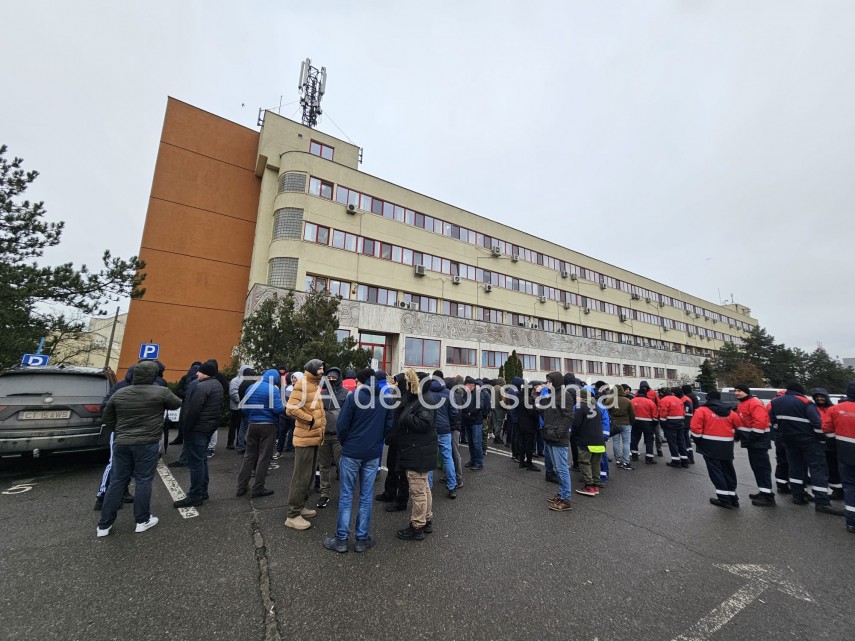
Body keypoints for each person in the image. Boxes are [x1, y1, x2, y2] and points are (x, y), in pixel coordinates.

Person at [96, 361, 182, 537]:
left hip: (122, 442)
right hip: (147, 442)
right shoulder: (161, 392)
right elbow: (177, 403)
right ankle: (142, 520)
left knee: (117, 481)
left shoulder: (120, 392)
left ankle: (104, 524)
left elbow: (106, 416)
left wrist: (119, 430)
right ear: (153, 375)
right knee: (143, 480)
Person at [323, 368, 393, 553]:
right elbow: (389, 426)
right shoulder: (386, 399)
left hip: (352, 451)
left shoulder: (354, 397)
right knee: (366, 496)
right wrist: (378, 442)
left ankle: (341, 540)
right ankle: (362, 538)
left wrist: (346, 443)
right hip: (372, 453)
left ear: (362, 380)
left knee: (347, 496)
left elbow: (342, 425)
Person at [769, 383, 843, 516]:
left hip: (789, 440)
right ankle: (822, 502)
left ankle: (798, 496)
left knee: (795, 468)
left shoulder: (776, 402)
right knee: (818, 469)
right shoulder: (806, 403)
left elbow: (774, 422)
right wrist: (822, 440)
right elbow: (817, 424)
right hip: (809, 441)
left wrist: (783, 434)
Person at [174, 361, 224, 508]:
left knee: (196, 463)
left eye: (200, 371)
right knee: (201, 459)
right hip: (208, 427)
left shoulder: (202, 387)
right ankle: (203, 490)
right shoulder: (217, 385)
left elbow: (193, 410)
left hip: (198, 429)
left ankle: (195, 495)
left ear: (205, 373)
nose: (197, 374)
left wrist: (186, 428)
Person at [284, 359, 327, 530]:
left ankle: (300, 507)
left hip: (313, 438)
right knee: (301, 478)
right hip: (305, 438)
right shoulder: (302, 384)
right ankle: (292, 515)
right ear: (313, 369)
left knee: (308, 477)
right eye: (320, 368)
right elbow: (291, 409)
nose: (323, 371)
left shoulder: (313, 384)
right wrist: (310, 420)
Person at [396, 371, 438, 541]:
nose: (406, 385)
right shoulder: (419, 397)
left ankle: (417, 526)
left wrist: (406, 417)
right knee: (424, 488)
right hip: (419, 450)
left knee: (418, 491)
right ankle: (426, 520)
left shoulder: (424, 400)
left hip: (418, 451)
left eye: (409, 382)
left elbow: (424, 423)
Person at [236, 368, 283, 498]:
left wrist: (251, 417)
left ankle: (241, 487)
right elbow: (278, 409)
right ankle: (258, 488)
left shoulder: (251, 387)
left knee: (249, 456)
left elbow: (244, 409)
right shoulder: (273, 389)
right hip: (268, 425)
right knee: (264, 457)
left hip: (252, 425)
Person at [690, 390, 742, 508]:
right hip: (727, 446)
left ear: (708, 398)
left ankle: (724, 499)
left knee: (716, 472)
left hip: (709, 446)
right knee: (728, 470)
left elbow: (695, 429)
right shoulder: (730, 411)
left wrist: (698, 441)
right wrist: (734, 437)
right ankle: (733, 497)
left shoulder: (702, 411)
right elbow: (738, 426)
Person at [734, 384, 775, 507]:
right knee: (757, 467)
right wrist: (738, 435)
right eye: (736, 391)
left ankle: (767, 497)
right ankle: (763, 491)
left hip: (758, 442)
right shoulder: (743, 404)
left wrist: (751, 439)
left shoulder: (754, 403)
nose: (737, 393)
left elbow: (760, 423)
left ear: (746, 392)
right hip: (753, 442)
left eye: (739, 391)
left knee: (761, 468)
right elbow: (742, 422)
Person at [377, 373, 411, 510]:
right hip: (394, 439)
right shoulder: (396, 396)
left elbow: (401, 421)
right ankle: (389, 493)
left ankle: (401, 501)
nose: (394, 384)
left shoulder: (406, 398)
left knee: (401, 471)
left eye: (396, 382)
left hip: (402, 440)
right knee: (391, 466)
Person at [541, 373, 574, 511]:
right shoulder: (553, 395)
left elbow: (568, 417)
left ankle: (566, 499)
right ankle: (561, 494)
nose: (547, 384)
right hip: (550, 435)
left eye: (549, 381)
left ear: (556, 382)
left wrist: (559, 432)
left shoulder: (565, 395)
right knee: (557, 468)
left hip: (558, 437)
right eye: (547, 381)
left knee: (561, 469)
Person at [316, 367, 348, 509]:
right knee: (323, 466)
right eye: (328, 378)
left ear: (339, 378)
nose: (331, 380)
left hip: (338, 437)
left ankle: (344, 494)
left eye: (334, 378)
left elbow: (349, 415)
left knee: (342, 466)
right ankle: (324, 493)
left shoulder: (346, 394)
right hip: (323, 435)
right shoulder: (321, 393)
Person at [826, 382, 855, 534]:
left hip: (845, 453)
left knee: (850, 486)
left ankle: (852, 522)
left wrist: (834, 443)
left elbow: (827, 429)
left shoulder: (835, 409)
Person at [429, 371, 460, 499]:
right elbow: (454, 412)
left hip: (431, 429)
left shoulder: (427, 392)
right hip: (445, 429)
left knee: (430, 459)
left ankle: (428, 488)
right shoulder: (448, 393)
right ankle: (452, 487)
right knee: (448, 458)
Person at [572, 388, 605, 498]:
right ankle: (596, 486)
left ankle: (589, 486)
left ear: (581, 397)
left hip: (587, 440)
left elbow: (576, 424)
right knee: (596, 464)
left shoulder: (580, 407)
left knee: (585, 462)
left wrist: (573, 435)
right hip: (599, 440)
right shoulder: (596, 407)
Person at [812, 388, 844, 500]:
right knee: (826, 468)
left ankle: (839, 490)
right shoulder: (813, 409)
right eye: (817, 397)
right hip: (819, 442)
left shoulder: (833, 409)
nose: (819, 399)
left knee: (834, 467)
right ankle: (835, 489)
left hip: (834, 443)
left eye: (822, 396)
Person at [659, 388, 689, 468]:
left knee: (672, 443)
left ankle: (676, 461)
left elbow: (663, 412)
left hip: (670, 423)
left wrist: (663, 423)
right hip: (680, 422)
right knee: (681, 441)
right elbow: (683, 412)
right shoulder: (678, 399)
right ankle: (685, 461)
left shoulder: (664, 400)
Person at [608, 384, 635, 470]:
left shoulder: (609, 400)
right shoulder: (627, 400)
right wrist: (631, 423)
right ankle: (626, 462)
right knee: (626, 442)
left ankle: (618, 460)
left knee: (616, 442)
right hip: (626, 423)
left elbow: (606, 412)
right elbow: (632, 414)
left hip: (614, 424)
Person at [630, 386, 659, 465]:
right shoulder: (650, 402)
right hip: (647, 423)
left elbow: (629, 413)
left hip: (635, 422)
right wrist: (654, 423)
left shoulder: (632, 401)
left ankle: (634, 456)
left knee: (634, 439)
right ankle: (649, 458)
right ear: (645, 394)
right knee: (649, 440)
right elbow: (655, 415)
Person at [461, 376, 484, 470]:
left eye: (466, 385)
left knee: (476, 443)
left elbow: (480, 406)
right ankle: (473, 460)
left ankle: (479, 463)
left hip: (476, 422)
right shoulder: (466, 394)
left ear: (470, 385)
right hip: (468, 421)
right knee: (470, 443)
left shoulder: (478, 394)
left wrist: (470, 413)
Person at [228, 365, 252, 450]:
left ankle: (240, 441)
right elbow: (233, 393)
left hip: (242, 406)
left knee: (241, 425)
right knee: (234, 425)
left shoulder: (246, 380)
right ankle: (230, 442)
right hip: (235, 407)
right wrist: (242, 401)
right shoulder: (235, 380)